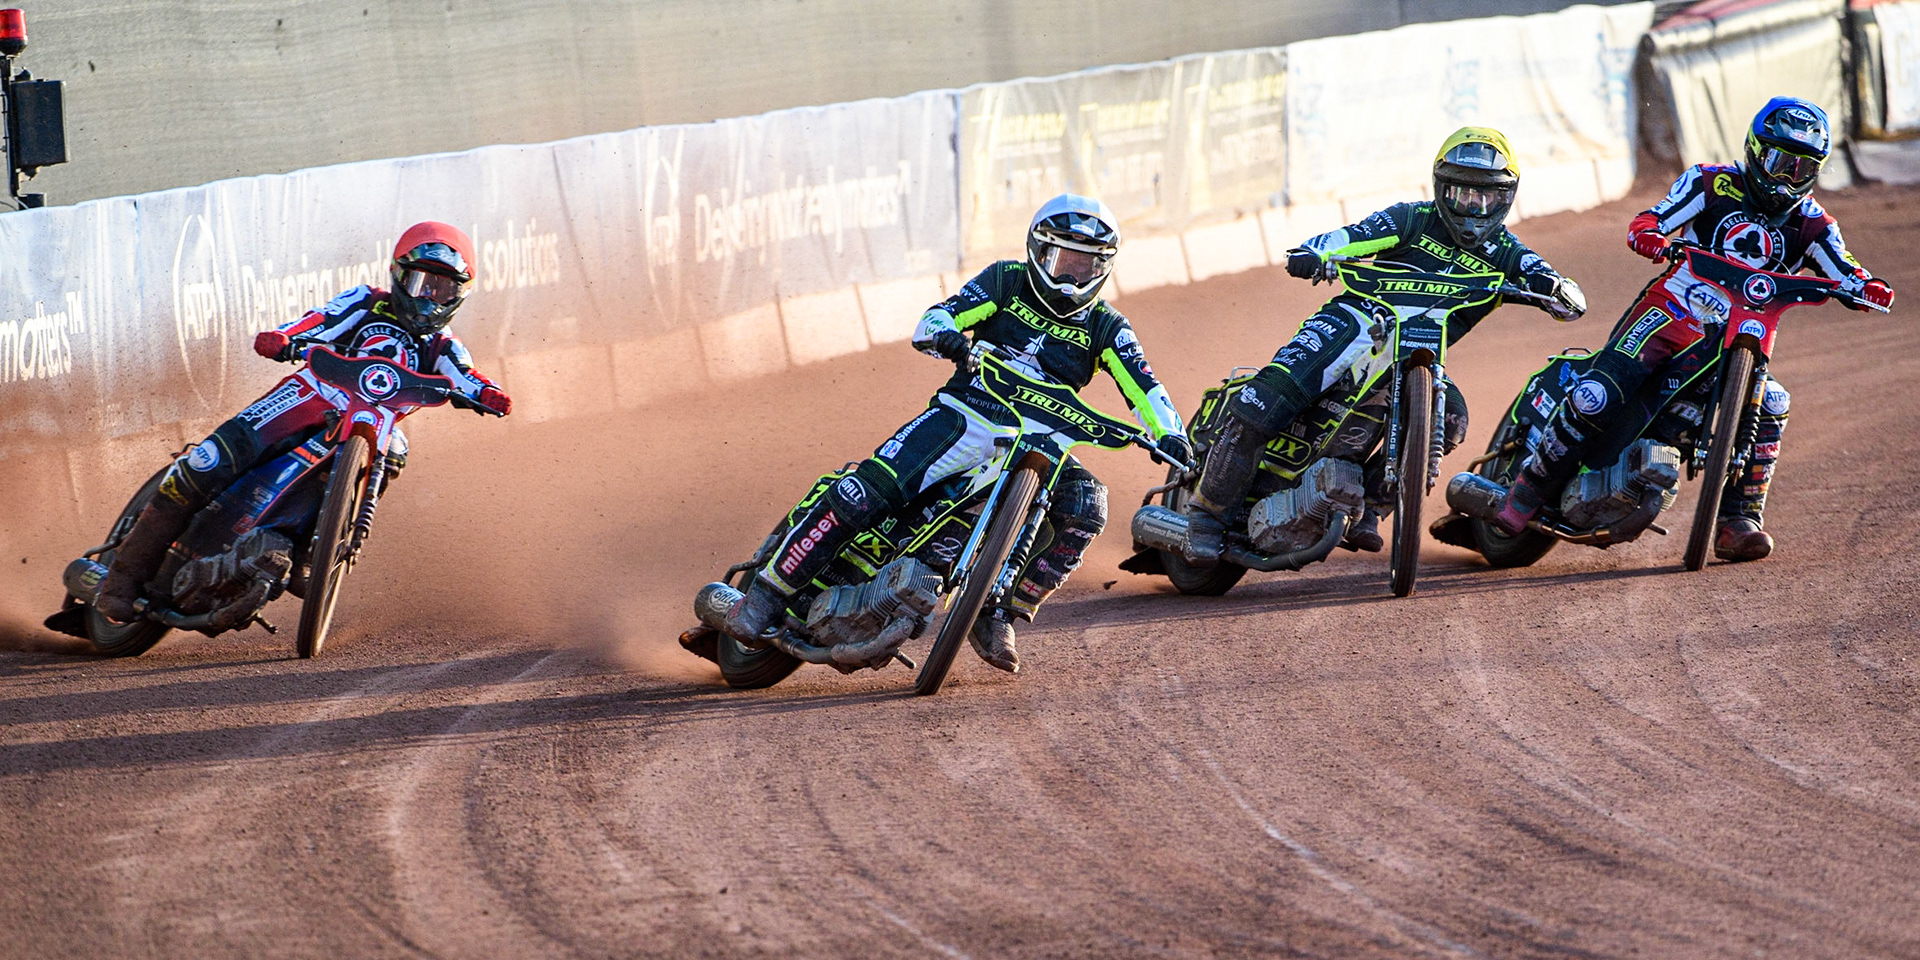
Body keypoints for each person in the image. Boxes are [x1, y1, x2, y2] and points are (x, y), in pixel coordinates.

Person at [725, 194, 1192, 673]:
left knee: (1088, 506)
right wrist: (946, 334)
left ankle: (998, 610)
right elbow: (938, 317)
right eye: (1063, 259)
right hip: (967, 412)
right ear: (1038, 250)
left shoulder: (1107, 326)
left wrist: (1172, 434)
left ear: (1104, 268)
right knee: (869, 488)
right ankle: (765, 595)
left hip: (1044, 439)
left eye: (1086, 264)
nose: (1072, 276)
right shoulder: (1006, 279)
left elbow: (1146, 387)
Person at [1490, 97, 1896, 560]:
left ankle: (1738, 521)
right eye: (1781, 162)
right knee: (1598, 394)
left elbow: (1848, 271)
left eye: (1803, 169)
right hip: (1673, 311)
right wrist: (1649, 233)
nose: (1788, 178)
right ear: (1755, 150)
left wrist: (1869, 287)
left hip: (1745, 334)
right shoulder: (1709, 181)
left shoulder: (1815, 224)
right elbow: (1655, 218)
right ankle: (1524, 493)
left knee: (1773, 403)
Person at [1180, 126, 1586, 565]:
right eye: (1460, 193)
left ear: (1505, 197)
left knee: (1451, 420)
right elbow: (1353, 236)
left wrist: (1558, 290)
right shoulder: (1412, 218)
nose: (1472, 206)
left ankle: (1371, 506)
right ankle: (1206, 516)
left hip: (1417, 356)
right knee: (1266, 399)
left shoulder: (1506, 251)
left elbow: (1558, 290)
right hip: (1353, 323)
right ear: (1441, 188)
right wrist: (1318, 251)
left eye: (1485, 197)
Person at [94, 221, 513, 621]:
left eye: (443, 289)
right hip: (304, 399)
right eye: (421, 283)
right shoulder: (367, 302)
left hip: (371, 427)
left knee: (397, 449)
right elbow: (319, 321)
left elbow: (467, 376)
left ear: (460, 295)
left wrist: (488, 394)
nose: (428, 298)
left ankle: (323, 549)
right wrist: (284, 338)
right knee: (207, 462)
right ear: (398, 275)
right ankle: (122, 577)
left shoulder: (443, 346)